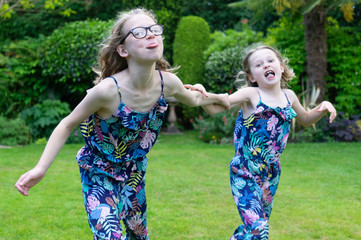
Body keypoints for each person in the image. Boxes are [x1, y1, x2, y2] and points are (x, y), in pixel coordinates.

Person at [15, 8, 228, 240]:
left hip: (134, 171)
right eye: (139, 32)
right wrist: (40, 168)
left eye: (154, 30)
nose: (150, 35)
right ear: (123, 50)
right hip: (97, 170)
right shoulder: (106, 91)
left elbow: (196, 99)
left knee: (138, 234)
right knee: (110, 235)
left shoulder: (168, 83)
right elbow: (67, 124)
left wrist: (220, 98)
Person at [186, 44, 336, 240]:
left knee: (255, 228)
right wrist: (203, 94)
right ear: (251, 77)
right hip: (244, 171)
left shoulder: (288, 96)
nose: (266, 65)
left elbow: (306, 119)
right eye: (258, 64)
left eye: (270, 61)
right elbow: (220, 105)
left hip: (270, 174)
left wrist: (322, 107)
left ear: (281, 67)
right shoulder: (251, 95)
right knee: (259, 228)